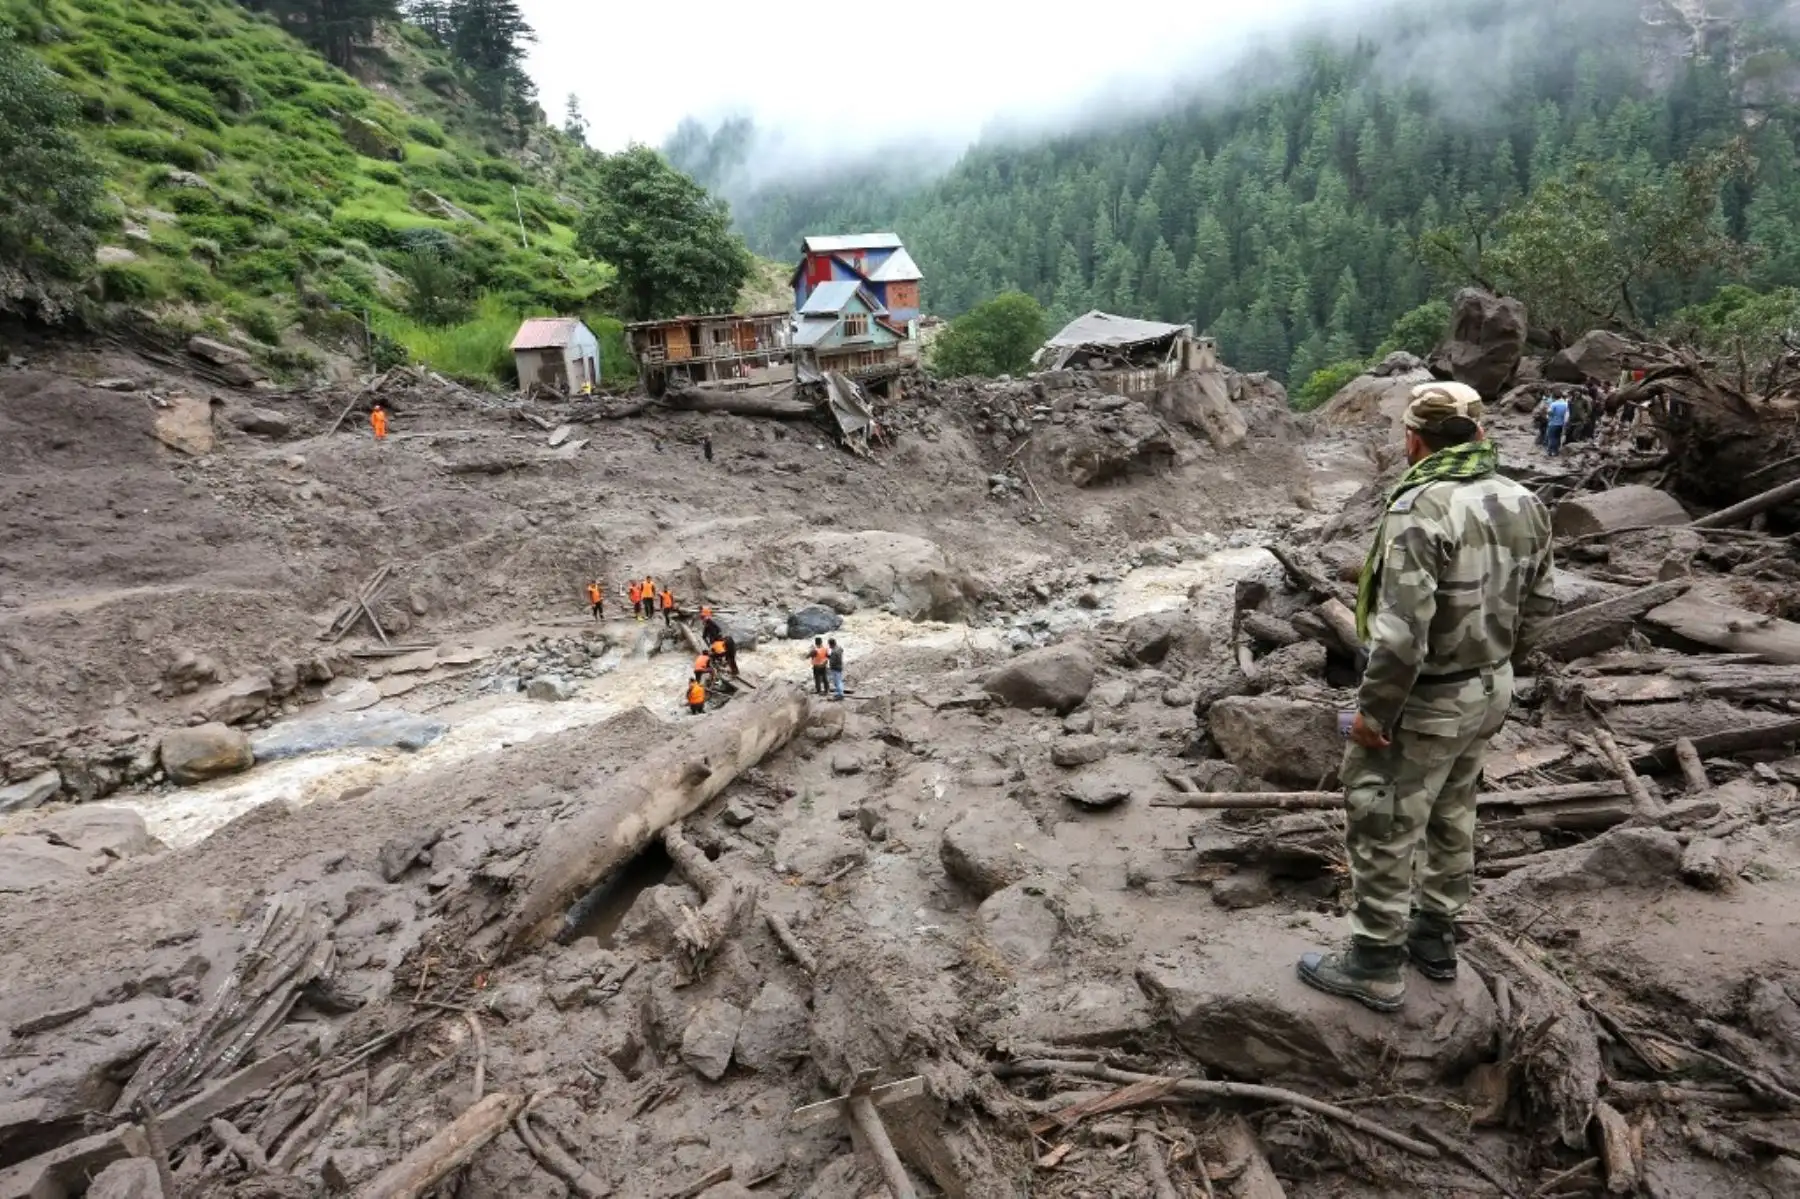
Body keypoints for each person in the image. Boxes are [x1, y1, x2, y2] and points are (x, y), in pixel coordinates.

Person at [1297, 382, 1555, 1013]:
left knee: (1382, 818)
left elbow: (1402, 636)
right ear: (1481, 433)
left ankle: (1375, 963)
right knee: (1453, 810)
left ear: (1413, 439)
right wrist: (1499, 669)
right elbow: (1542, 607)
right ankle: (1435, 940)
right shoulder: (1524, 499)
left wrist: (1374, 713)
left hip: (1429, 696)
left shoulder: (1419, 508)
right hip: (1490, 686)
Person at [827, 637, 846, 701]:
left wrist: (829, 657)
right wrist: (830, 656)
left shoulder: (834, 651)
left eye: (829, 644)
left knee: (837, 682)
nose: (829, 646)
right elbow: (841, 651)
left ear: (831, 644)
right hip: (839, 667)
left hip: (835, 668)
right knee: (838, 681)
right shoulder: (839, 648)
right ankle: (838, 693)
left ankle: (840, 695)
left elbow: (833, 661)